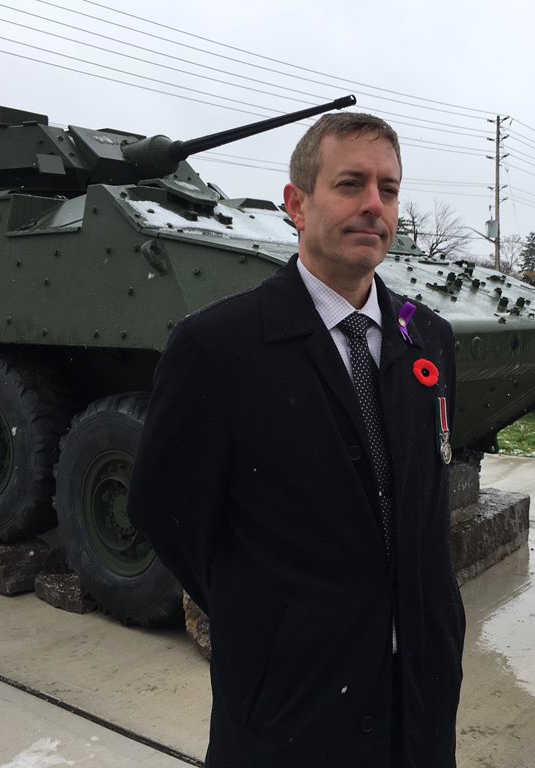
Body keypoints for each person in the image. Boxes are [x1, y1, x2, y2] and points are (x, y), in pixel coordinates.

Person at [127, 112, 465, 768]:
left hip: (419, 700)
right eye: (350, 184)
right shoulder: (219, 348)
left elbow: (424, 500)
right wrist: (272, 616)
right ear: (296, 203)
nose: (373, 205)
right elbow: (165, 511)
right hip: (291, 707)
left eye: (388, 190)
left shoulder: (428, 340)